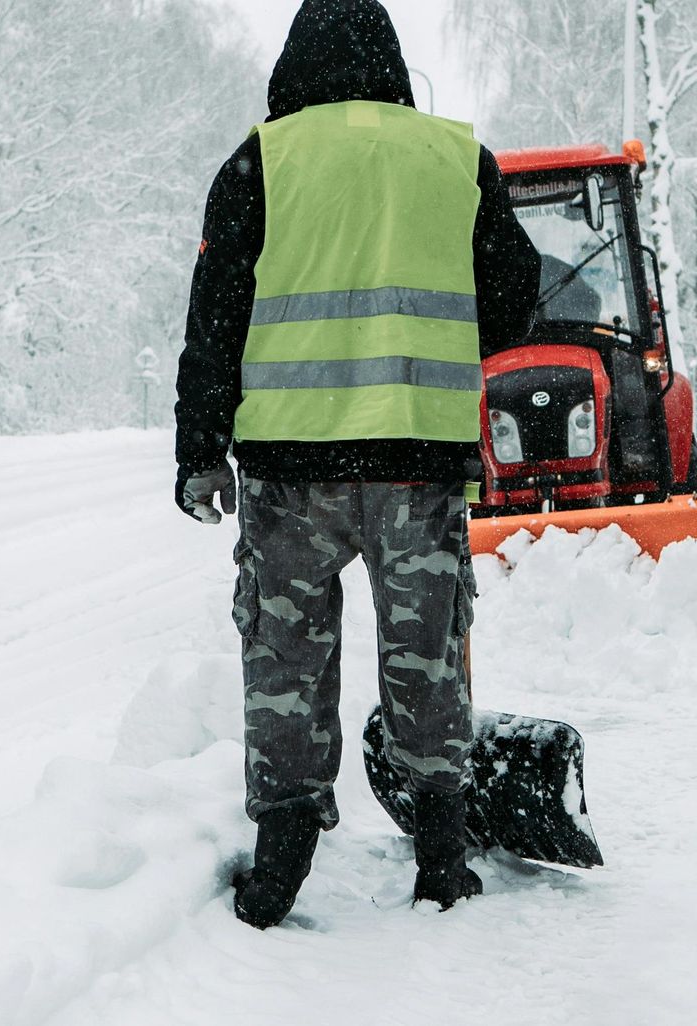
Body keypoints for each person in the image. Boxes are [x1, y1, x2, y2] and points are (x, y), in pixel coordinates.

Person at [173, 0, 540, 929]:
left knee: (285, 653)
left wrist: (198, 451)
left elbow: (213, 316)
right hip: (417, 458)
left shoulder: (261, 161)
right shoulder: (457, 159)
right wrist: (440, 345)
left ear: (293, 65)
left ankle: (285, 852)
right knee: (425, 650)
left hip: (289, 469)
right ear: (392, 63)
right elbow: (514, 299)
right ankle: (442, 857)